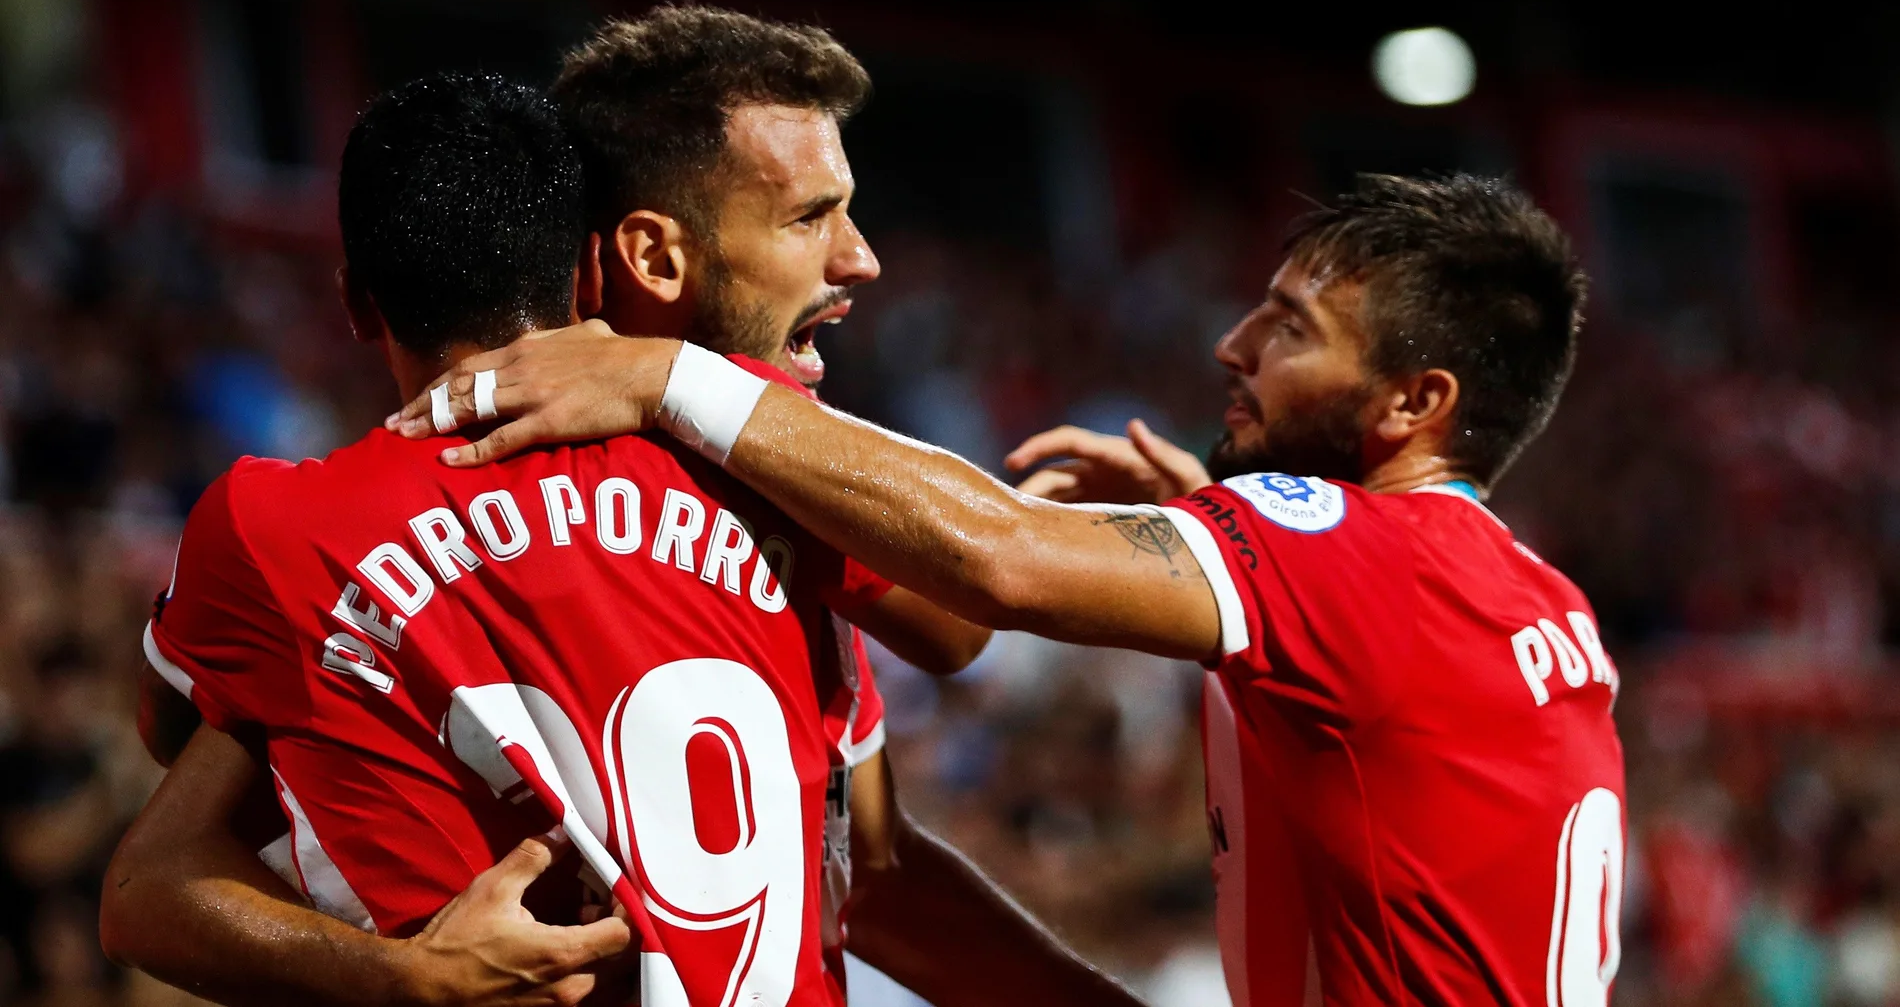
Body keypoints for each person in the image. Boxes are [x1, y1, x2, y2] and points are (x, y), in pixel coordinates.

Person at [399, 172, 1629, 1006]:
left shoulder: (1344, 556)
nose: (1232, 345)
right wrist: (1216, 509)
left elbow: (997, 559)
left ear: (1417, 405)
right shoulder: (1536, 599)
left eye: (1289, 329)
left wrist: (670, 376)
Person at [106, 8, 1130, 1007]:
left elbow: (160, 823)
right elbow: (946, 653)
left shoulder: (278, 529)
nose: (858, 254)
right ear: (603, 263)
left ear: (354, 301)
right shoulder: (764, 465)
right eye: (810, 215)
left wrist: (394, 977)